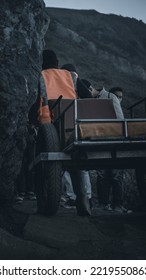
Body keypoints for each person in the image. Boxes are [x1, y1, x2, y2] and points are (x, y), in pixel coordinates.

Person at [29, 50, 91, 216]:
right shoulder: (71, 76)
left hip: (48, 128)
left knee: (41, 168)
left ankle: (43, 207)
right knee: (75, 167)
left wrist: (32, 122)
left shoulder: (40, 76)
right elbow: (88, 95)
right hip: (72, 126)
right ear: (57, 62)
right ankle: (83, 206)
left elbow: (35, 103)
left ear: (42, 62)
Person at [81, 79, 128, 213]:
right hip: (99, 142)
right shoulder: (91, 101)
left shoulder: (109, 97)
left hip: (113, 141)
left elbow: (120, 119)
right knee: (102, 174)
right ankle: (103, 204)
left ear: (90, 89)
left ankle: (118, 205)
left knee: (116, 174)